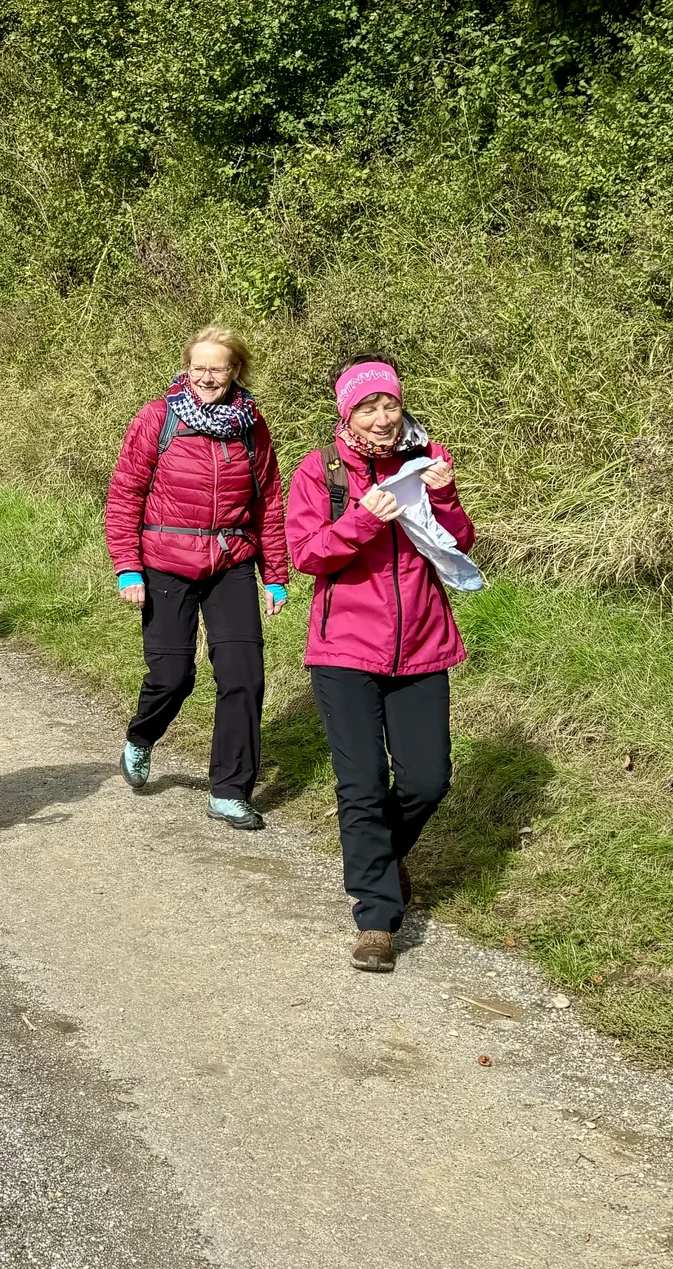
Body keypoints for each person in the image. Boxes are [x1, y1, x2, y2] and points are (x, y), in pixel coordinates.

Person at [287, 358, 477, 974]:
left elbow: (457, 541)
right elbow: (307, 554)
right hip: (344, 649)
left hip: (422, 642)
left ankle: (381, 858)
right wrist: (364, 519)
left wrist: (444, 497)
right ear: (347, 415)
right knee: (362, 782)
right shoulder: (321, 472)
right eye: (367, 408)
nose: (383, 418)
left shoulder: (424, 462)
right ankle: (375, 918)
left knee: (427, 779)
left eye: (390, 405)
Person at [104, 326, 291, 831]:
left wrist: (275, 575)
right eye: (199, 367)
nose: (208, 377)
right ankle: (141, 738)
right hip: (164, 558)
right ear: (187, 369)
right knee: (173, 676)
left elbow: (268, 504)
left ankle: (229, 791)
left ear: (236, 372)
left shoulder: (253, 427)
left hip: (231, 560)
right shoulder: (156, 418)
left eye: (219, 368)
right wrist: (127, 566)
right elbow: (125, 496)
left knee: (244, 677)